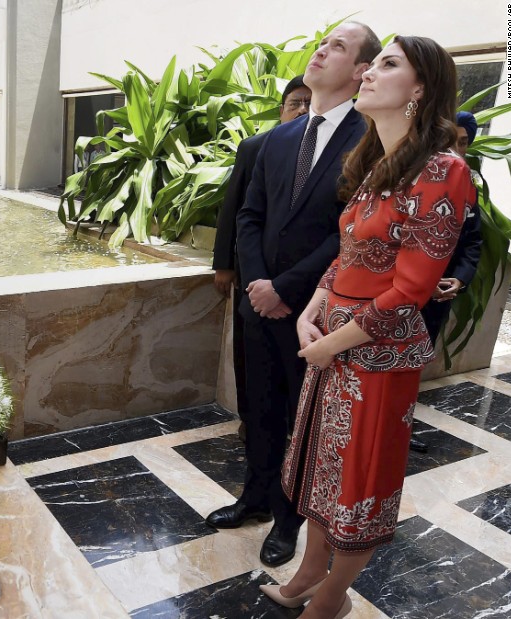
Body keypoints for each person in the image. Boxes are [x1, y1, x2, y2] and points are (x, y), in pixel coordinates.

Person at [262, 36, 473, 619]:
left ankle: (332, 598)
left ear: (421, 88)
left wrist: (330, 342)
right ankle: (309, 572)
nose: (369, 74)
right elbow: (349, 251)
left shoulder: (444, 170)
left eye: (388, 64)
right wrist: (311, 309)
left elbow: (411, 289)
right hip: (332, 342)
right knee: (319, 469)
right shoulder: (379, 164)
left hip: (375, 357)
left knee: (360, 484)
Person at [208, 21, 383, 569]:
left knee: (298, 419)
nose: (321, 51)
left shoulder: (373, 139)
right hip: (259, 304)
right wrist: (259, 284)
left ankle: (288, 519)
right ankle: (255, 498)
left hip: (316, 311)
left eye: (337, 47)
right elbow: (250, 214)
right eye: (321, 43)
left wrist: (284, 289)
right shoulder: (279, 138)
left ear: (360, 72)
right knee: (258, 409)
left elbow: (350, 230)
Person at [212, 76, 312, 442]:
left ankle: (293, 424)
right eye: (295, 102)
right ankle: (248, 417)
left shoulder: (335, 149)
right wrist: (225, 263)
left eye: (309, 103)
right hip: (253, 275)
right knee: (248, 353)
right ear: (282, 109)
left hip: (303, 281)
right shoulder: (255, 147)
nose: (302, 109)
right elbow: (235, 208)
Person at [420, 110, 482, 342]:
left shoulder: (468, 187)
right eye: (449, 141)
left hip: (440, 295)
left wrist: (460, 278)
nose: (456, 149)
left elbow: (473, 240)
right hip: (400, 293)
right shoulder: (413, 178)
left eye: (463, 143)